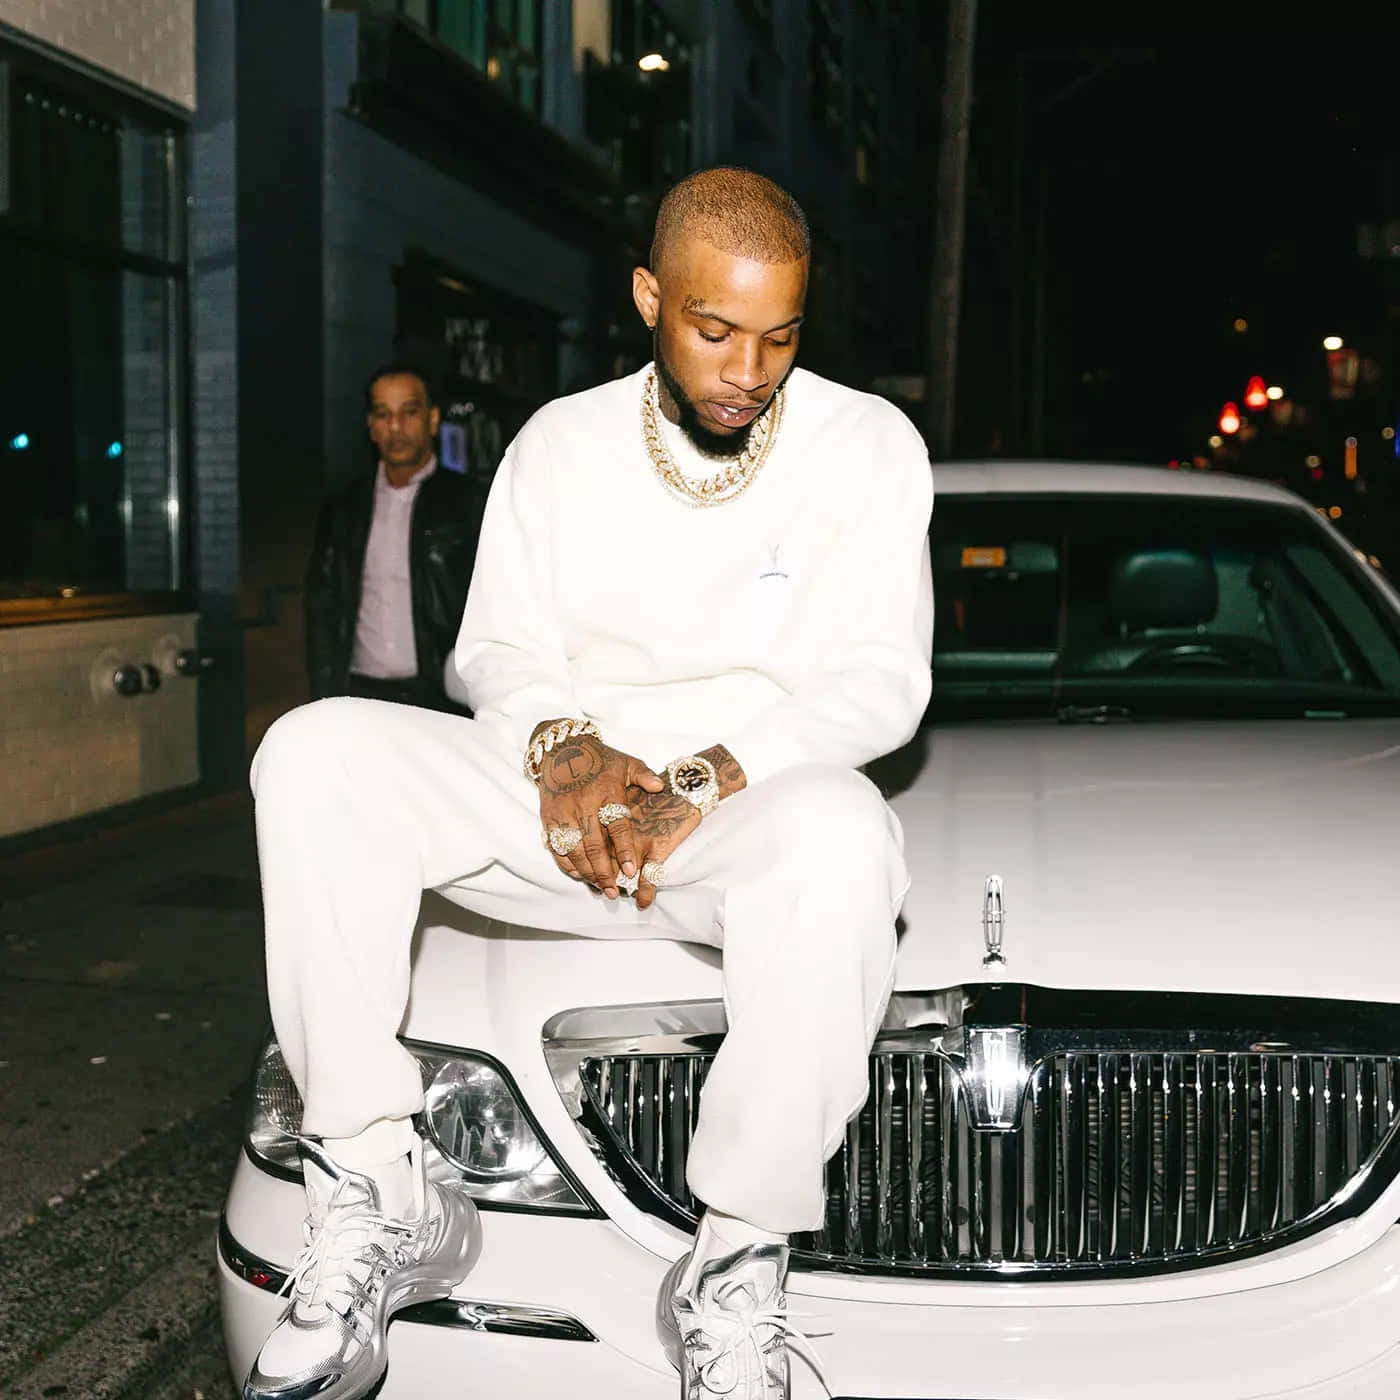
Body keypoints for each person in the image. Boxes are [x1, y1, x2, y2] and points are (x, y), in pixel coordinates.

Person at [244, 167, 934, 1400]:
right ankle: (377, 1188)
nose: (745, 369)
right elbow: (493, 649)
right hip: (556, 821)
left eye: (777, 337)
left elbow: (879, 685)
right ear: (647, 298)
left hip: (738, 829)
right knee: (312, 749)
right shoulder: (560, 442)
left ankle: (731, 1266)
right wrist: (564, 748)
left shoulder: (867, 445)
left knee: (842, 829)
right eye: (712, 330)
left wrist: (698, 778)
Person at [303, 363, 483, 711]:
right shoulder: (345, 508)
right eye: (383, 414)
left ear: (432, 420)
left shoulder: (469, 503)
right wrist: (324, 693)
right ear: (371, 426)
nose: (395, 427)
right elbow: (322, 607)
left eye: (409, 412)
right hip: (358, 693)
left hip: (441, 698)